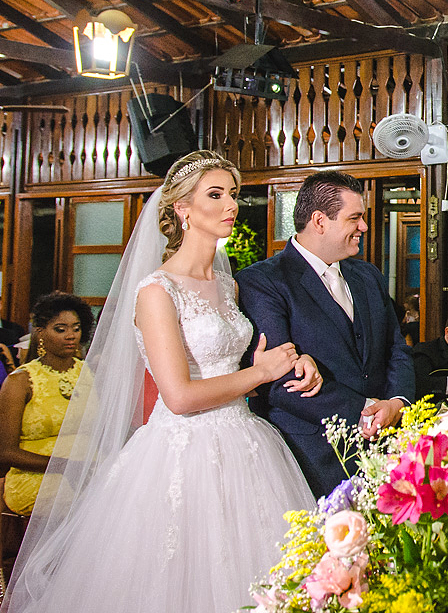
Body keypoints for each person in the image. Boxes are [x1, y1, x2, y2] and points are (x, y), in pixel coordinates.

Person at [1, 150, 321, 613]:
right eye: (216, 194)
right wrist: (259, 372)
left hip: (247, 442)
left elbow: (233, 371)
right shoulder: (157, 290)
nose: (231, 204)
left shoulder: (228, 286)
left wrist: (288, 363)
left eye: (233, 194)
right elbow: (179, 396)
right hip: (182, 451)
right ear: (182, 209)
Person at [238, 170, 416, 497]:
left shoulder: (368, 275)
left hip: (386, 449)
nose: (364, 227)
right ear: (320, 221)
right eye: (355, 218)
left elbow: (396, 350)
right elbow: (278, 381)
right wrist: (366, 408)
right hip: (311, 459)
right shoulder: (262, 281)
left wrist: (397, 403)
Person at [0, 293, 94, 515]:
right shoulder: (20, 381)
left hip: (89, 471)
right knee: (84, 504)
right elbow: (5, 452)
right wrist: (64, 465)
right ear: (41, 333)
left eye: (76, 328)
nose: (71, 336)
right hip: (37, 478)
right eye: (60, 330)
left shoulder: (90, 373)